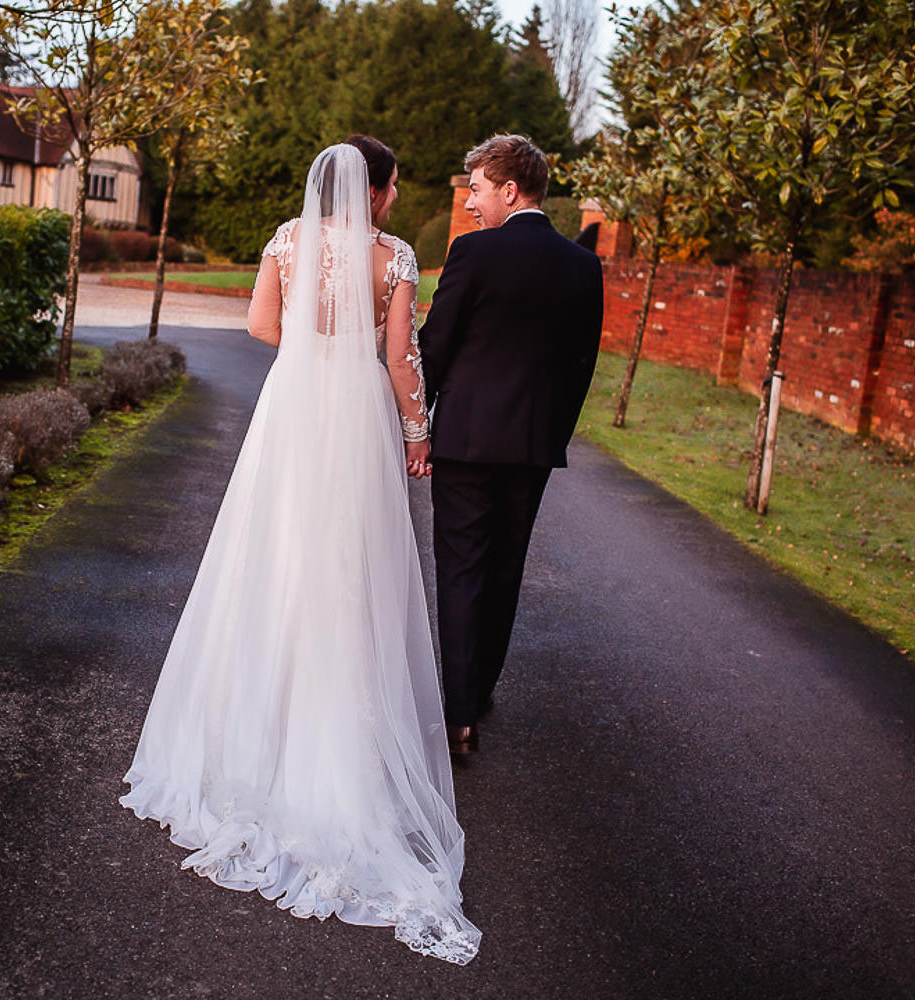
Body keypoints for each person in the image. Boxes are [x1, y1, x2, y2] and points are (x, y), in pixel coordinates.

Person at [120, 139, 480, 965]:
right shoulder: (394, 257)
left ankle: (251, 728)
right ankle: (338, 738)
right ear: (382, 191)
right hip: (354, 408)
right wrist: (418, 432)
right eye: (391, 186)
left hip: (293, 404)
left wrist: (307, 356)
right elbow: (400, 357)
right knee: (349, 569)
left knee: (269, 555)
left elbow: (258, 325)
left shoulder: (287, 240)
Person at [419, 134, 604, 757]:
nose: (470, 203)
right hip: (532, 447)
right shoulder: (583, 264)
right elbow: (583, 365)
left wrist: (416, 422)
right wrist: (552, 434)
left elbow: (434, 348)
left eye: (476, 189)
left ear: (508, 189)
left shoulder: (472, 254)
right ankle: (479, 692)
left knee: (462, 566)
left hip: (466, 442)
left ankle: (460, 710)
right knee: (504, 569)